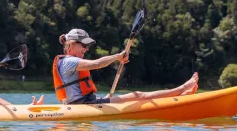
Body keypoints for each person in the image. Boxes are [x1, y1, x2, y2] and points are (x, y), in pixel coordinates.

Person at [53, 29, 198, 104]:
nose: (86, 48)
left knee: (133, 96)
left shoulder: (66, 61)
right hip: (84, 105)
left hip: (85, 102)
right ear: (71, 45)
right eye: (83, 45)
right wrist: (117, 56)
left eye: (87, 46)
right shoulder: (69, 61)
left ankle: (179, 96)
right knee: (138, 95)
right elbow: (96, 64)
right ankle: (182, 89)